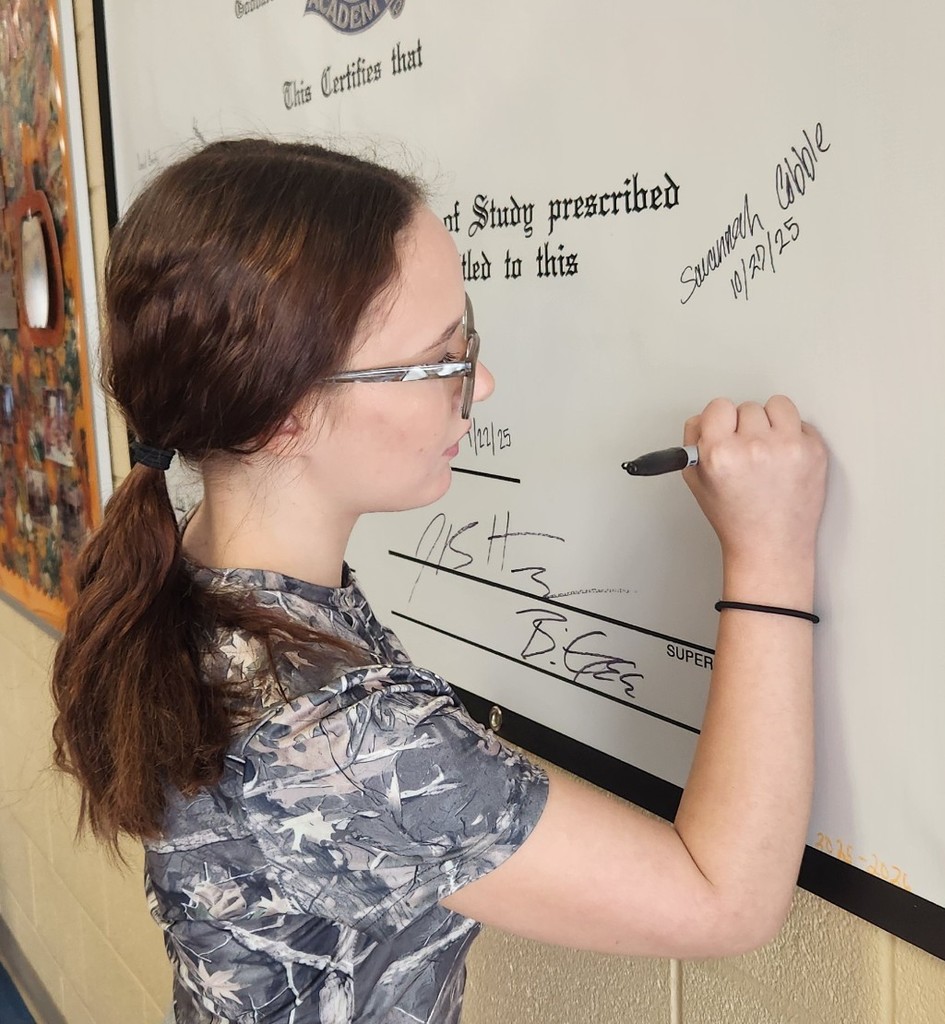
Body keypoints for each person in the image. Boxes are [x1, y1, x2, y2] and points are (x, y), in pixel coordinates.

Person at [50, 138, 827, 1024]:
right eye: (442, 359)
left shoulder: (202, 568)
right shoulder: (337, 737)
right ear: (283, 413)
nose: (481, 382)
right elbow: (724, 898)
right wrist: (771, 549)